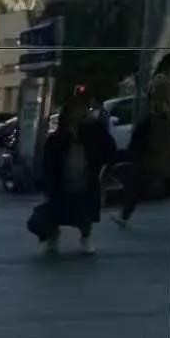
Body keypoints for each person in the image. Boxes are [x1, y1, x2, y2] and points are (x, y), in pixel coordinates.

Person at [36, 95, 115, 255]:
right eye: (75, 112)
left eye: (81, 112)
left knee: (85, 212)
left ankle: (85, 237)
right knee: (55, 212)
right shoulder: (57, 138)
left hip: (84, 180)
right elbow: (49, 164)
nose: (78, 116)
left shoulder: (92, 132)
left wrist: (96, 125)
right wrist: (46, 186)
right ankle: (53, 236)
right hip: (62, 182)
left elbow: (109, 147)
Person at [115, 58, 170, 228]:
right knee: (167, 178)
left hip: (157, 144)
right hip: (165, 143)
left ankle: (125, 214)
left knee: (145, 179)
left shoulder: (161, 86)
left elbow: (159, 113)